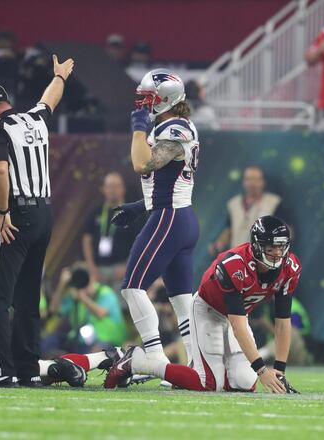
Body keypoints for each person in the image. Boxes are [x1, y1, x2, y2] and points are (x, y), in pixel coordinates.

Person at [105, 216, 301, 394]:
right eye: (271, 247)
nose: (277, 252)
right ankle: (137, 361)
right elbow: (238, 326)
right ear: (257, 246)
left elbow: (283, 322)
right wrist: (261, 369)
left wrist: (279, 370)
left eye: (281, 246)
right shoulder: (234, 265)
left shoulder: (290, 267)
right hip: (208, 311)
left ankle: (207, 370)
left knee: (243, 382)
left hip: (239, 316)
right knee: (208, 383)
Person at [0, 55, 74, 387]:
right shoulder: (35, 119)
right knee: (28, 296)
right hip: (44, 214)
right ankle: (28, 367)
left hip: (15, 214)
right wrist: (59, 76)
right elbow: (49, 99)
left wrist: (2, 213)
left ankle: (0, 370)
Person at [109, 68, 200, 368]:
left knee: (132, 287)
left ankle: (157, 359)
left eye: (147, 98)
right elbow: (165, 180)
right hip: (180, 217)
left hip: (170, 218)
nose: (142, 103)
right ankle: (198, 364)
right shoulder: (178, 125)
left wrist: (137, 127)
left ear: (163, 99)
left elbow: (141, 164)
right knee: (182, 300)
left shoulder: (174, 129)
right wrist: (138, 207)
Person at [45, 266, 126, 353]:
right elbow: (53, 309)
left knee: (94, 352)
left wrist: (82, 297)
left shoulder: (105, 292)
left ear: (92, 277)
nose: (83, 282)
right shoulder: (74, 297)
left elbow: (100, 313)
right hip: (82, 341)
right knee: (48, 342)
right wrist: (62, 284)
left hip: (108, 341)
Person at [82, 172, 141, 292]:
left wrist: (128, 267)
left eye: (116, 186)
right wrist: (91, 266)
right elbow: (87, 239)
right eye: (109, 186)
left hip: (121, 269)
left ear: (123, 189)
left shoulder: (132, 213)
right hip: (97, 269)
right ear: (103, 189)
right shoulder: (96, 212)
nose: (112, 190)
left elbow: (140, 242)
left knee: (121, 306)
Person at [210, 166, 283, 255]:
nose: (252, 183)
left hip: (262, 258)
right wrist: (219, 243)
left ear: (263, 182)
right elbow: (229, 229)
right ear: (244, 182)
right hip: (237, 257)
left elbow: (286, 230)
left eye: (256, 179)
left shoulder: (274, 202)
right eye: (249, 179)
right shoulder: (233, 203)